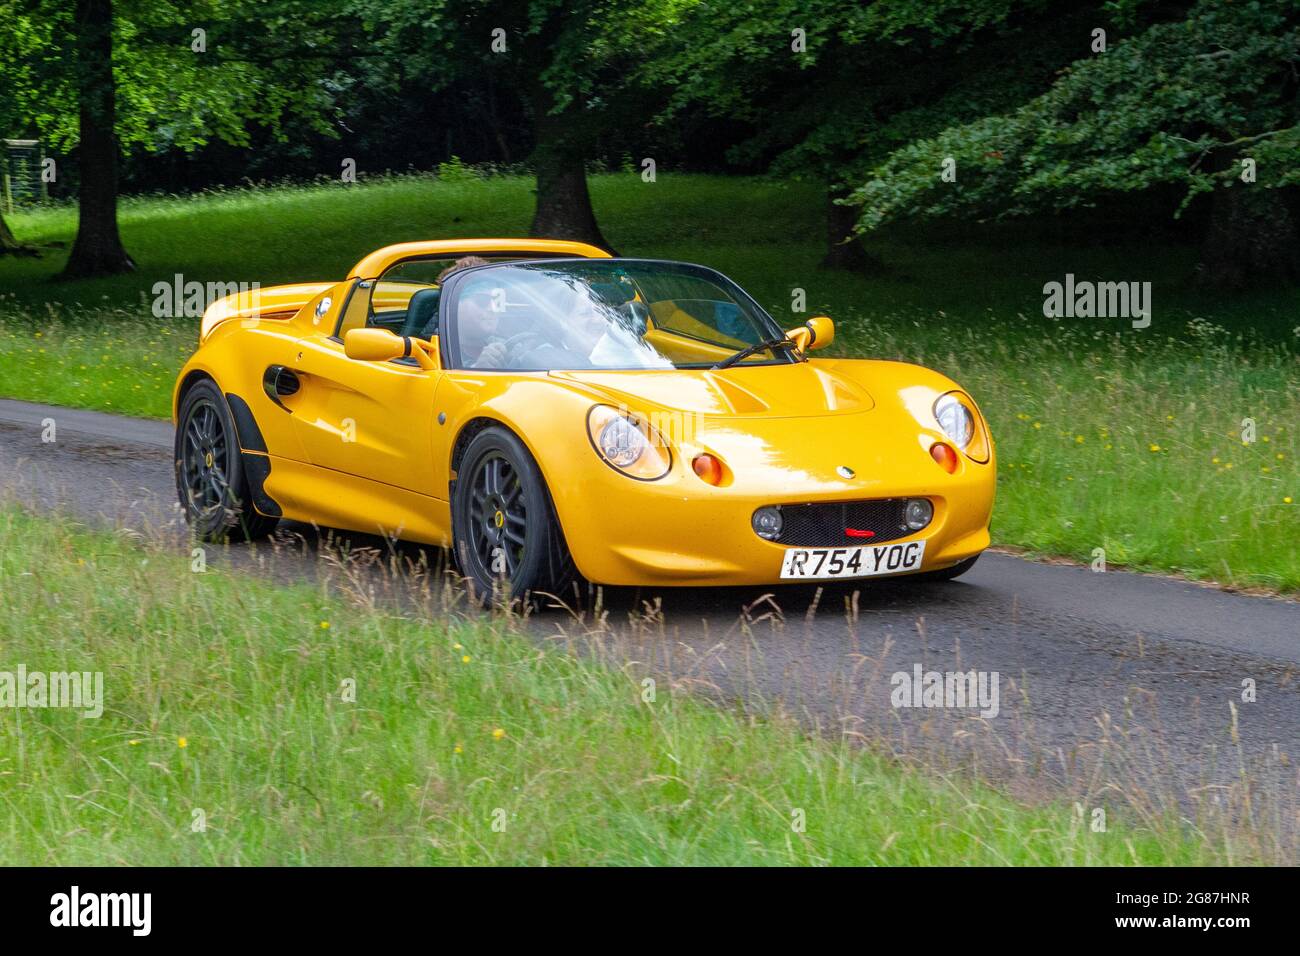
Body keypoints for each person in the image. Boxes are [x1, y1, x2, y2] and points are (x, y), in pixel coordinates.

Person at [440, 256, 509, 368]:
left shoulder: (504, 343)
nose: (492, 308)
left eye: (497, 301)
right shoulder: (432, 351)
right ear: (454, 303)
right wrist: (478, 367)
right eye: (482, 300)